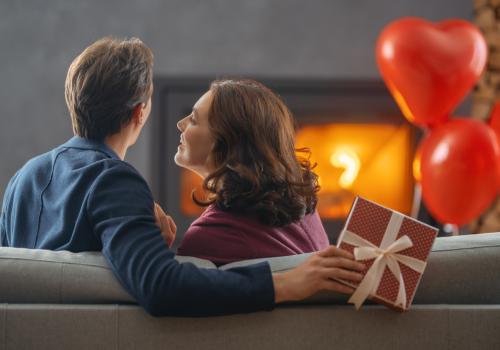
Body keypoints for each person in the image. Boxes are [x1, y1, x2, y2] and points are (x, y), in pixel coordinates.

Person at [0, 37, 364, 317]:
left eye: (193, 118)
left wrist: (138, 238)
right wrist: (282, 283)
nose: (179, 124)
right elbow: (160, 284)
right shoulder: (115, 182)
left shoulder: (21, 180)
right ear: (140, 112)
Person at [175, 79, 329, 265]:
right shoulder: (305, 212)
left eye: (193, 120)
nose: (180, 124)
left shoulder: (206, 237)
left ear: (226, 141)